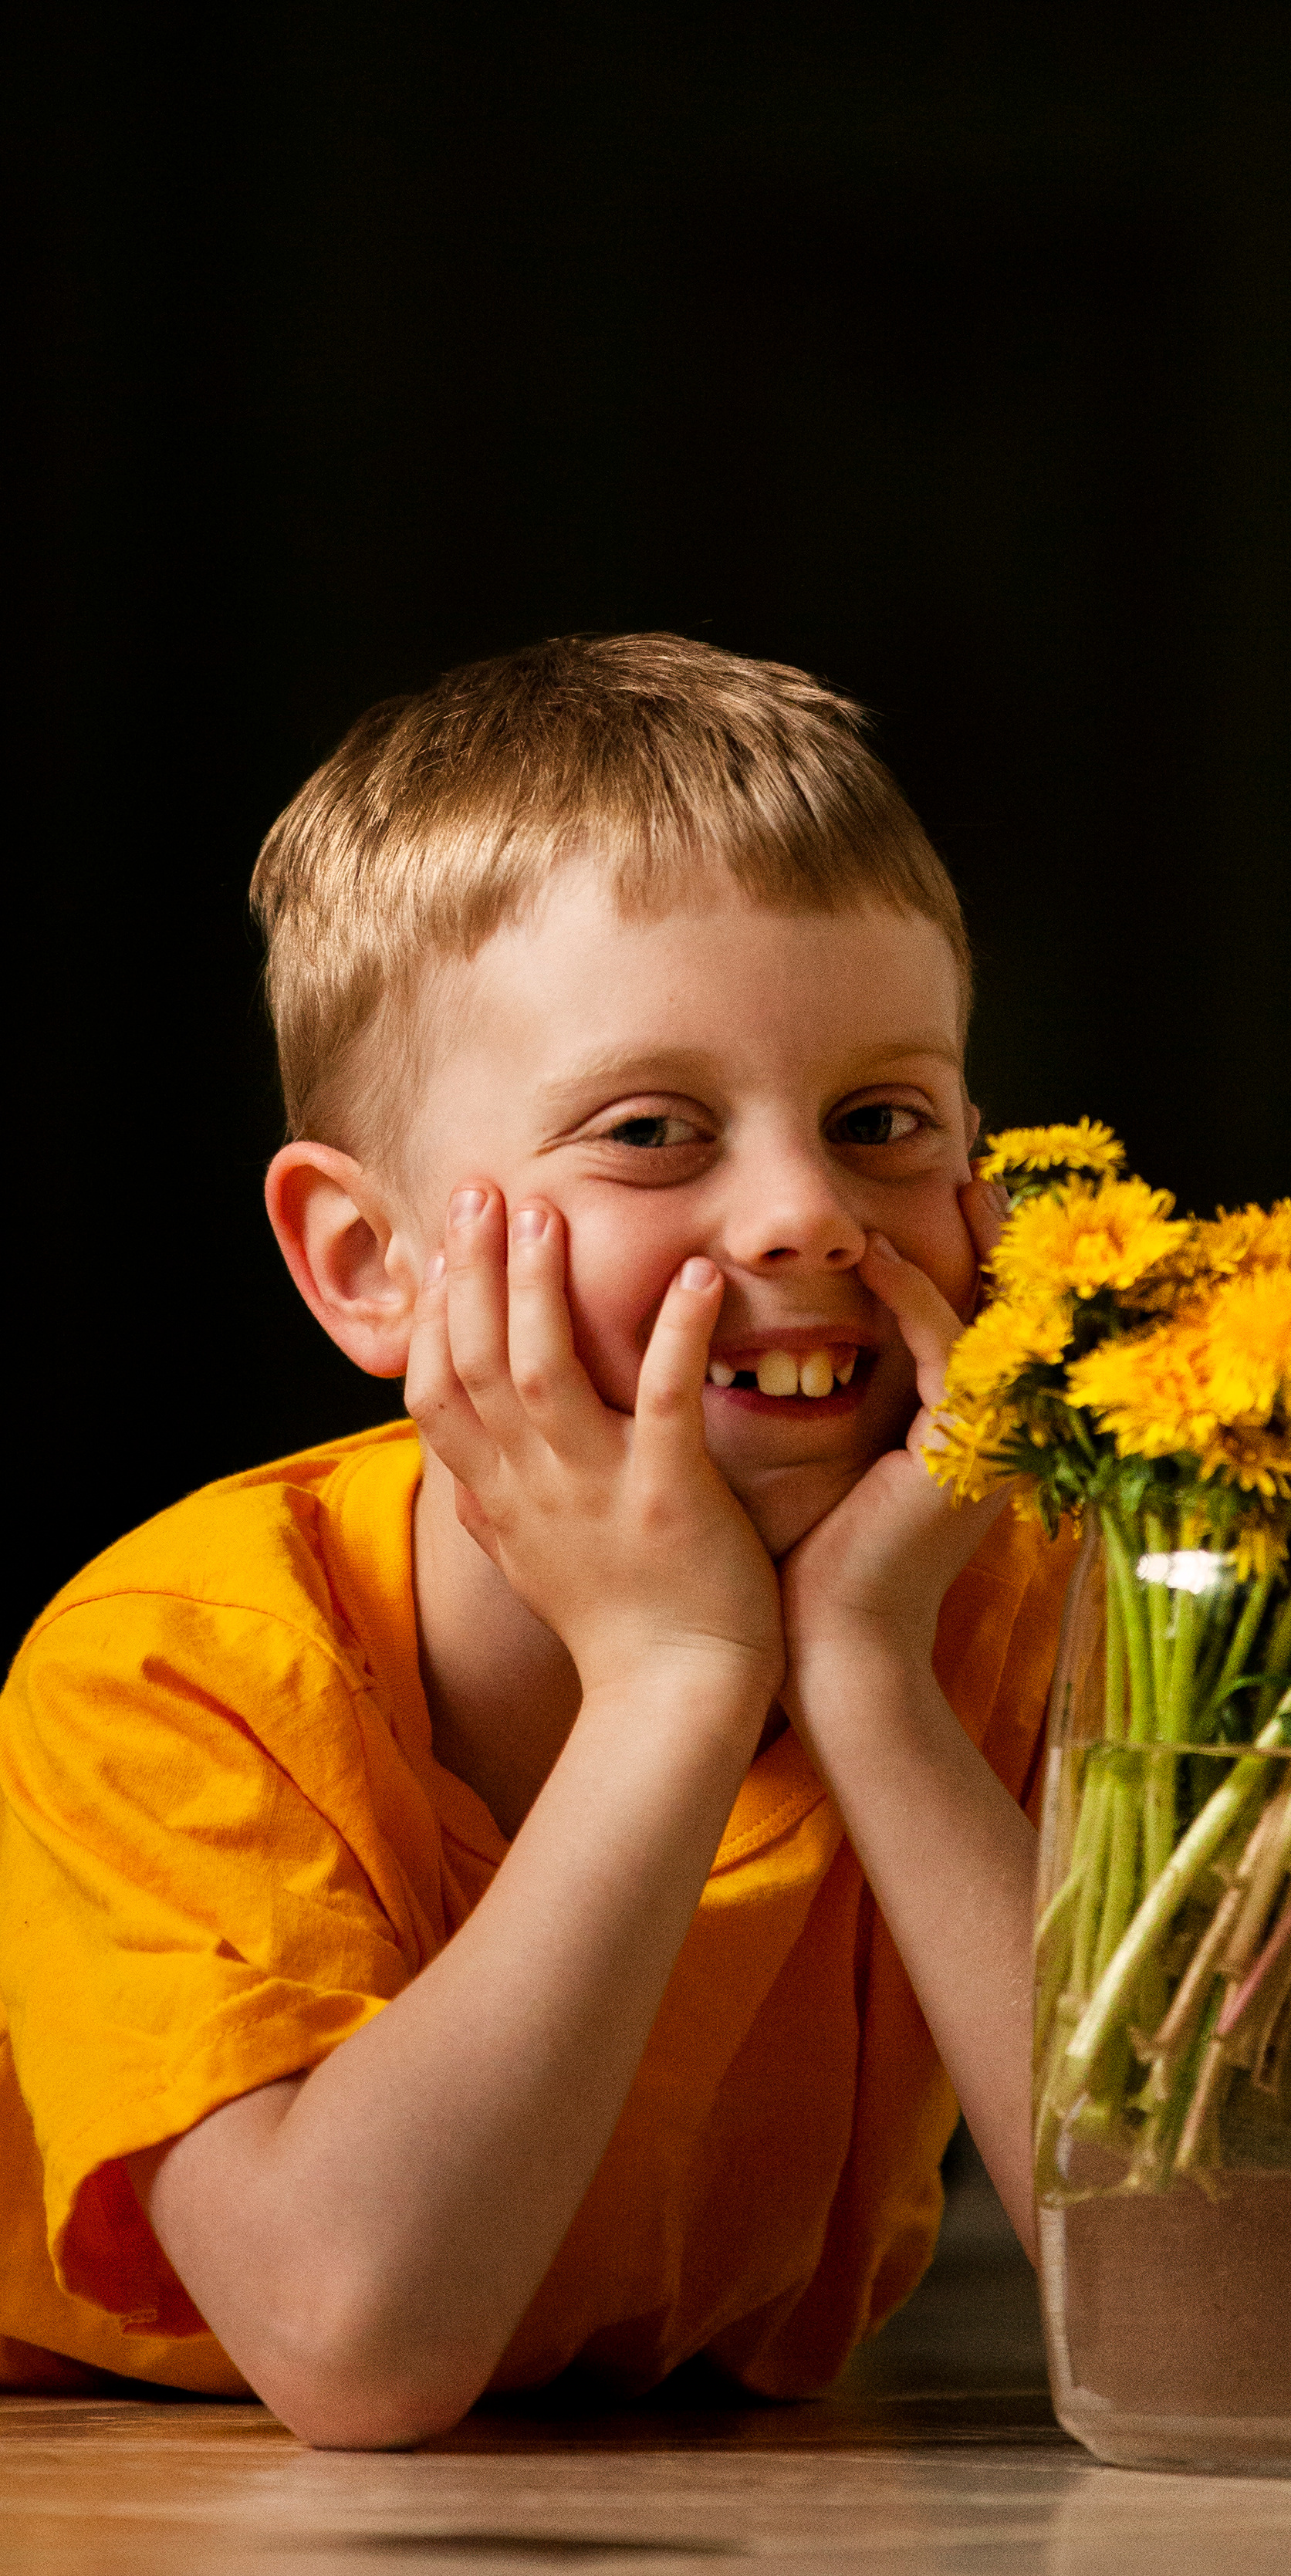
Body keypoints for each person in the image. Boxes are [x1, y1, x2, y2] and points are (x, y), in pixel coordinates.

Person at [0, 634, 1075, 2448]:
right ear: (367, 1261)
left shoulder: (1010, 1600)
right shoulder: (177, 1661)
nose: (808, 1211)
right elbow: (359, 2341)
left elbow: (1229, 2308)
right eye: (650, 1131)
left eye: (882, 1121)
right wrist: (675, 1671)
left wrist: (869, 1676)